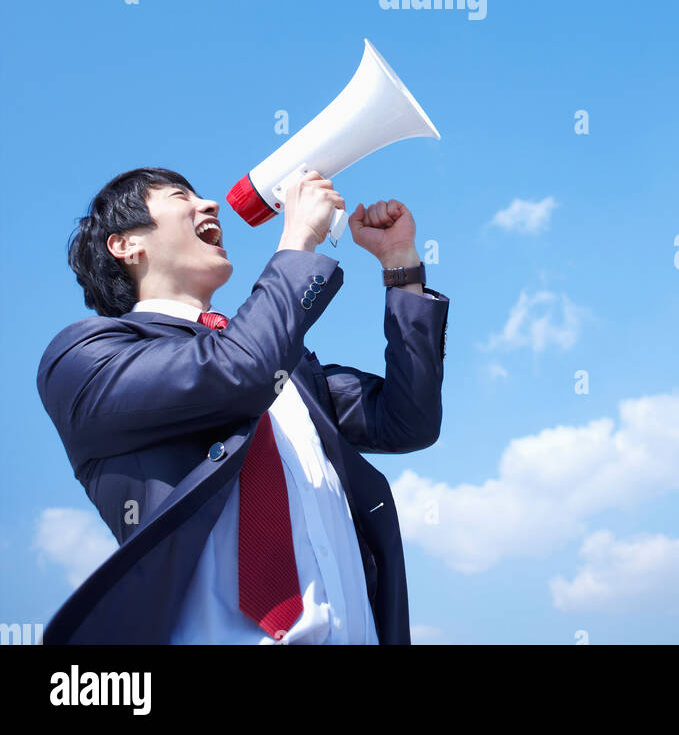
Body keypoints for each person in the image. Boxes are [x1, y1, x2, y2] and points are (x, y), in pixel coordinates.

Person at [36, 166, 448, 645]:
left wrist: (401, 269)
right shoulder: (84, 357)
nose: (209, 205)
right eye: (179, 197)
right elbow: (237, 372)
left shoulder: (282, 361)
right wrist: (296, 241)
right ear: (125, 245)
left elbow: (408, 421)